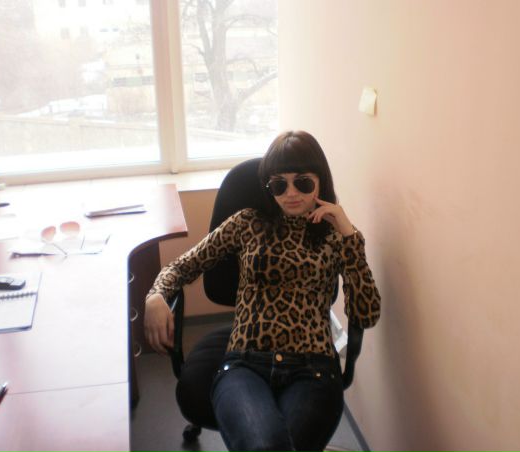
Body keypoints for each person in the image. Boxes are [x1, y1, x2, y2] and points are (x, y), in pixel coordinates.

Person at [144, 130, 381, 452]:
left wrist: (349, 235)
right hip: (245, 363)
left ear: (320, 182)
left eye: (303, 182)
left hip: (312, 368)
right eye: (279, 185)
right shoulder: (247, 223)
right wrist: (156, 295)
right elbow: (183, 265)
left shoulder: (335, 235)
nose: (291, 193)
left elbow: (367, 313)